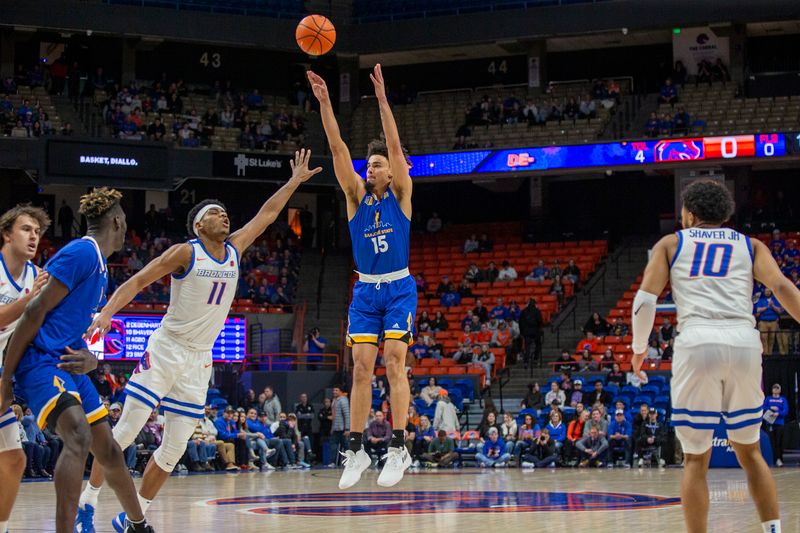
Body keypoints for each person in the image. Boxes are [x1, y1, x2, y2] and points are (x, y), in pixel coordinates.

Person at [78, 152, 320, 530]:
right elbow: (138, 280)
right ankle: (87, 505)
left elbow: (268, 214)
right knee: (124, 431)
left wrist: (293, 182)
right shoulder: (185, 252)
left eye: (225, 212)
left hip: (199, 360)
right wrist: (107, 312)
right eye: (215, 212)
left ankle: (132, 516)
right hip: (166, 348)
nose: (224, 216)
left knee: (173, 450)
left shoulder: (236, 249)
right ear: (198, 224)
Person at [632, 180, 793, 533]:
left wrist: (639, 350)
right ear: (726, 215)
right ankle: (774, 530)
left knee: (694, 460)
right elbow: (781, 286)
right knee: (750, 452)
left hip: (698, 341)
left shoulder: (672, 243)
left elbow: (645, 300)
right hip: (744, 342)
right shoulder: (750, 246)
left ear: (688, 214)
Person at [0, 190, 154, 533]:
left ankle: (138, 525)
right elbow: (34, 313)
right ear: (116, 221)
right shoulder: (82, 252)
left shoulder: (98, 266)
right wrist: (6, 379)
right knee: (78, 437)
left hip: (68, 362)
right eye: (125, 220)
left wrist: (92, 359)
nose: (126, 226)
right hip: (40, 363)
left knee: (110, 450)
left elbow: (65, 325)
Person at [309, 66, 416, 489]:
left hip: (399, 287)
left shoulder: (403, 194)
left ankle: (400, 446)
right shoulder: (356, 198)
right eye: (368, 165)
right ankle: (354, 449)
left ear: (392, 171)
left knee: (394, 361)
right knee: (359, 369)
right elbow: (336, 148)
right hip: (366, 292)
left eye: (377, 165)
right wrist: (324, 103)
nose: (370, 168)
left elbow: (392, 143)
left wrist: (384, 101)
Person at [0, 205, 51, 533]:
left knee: (14, 459)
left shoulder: (38, 275)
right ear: (6, 234)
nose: (33, 236)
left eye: (37, 231)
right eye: (25, 229)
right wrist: (30, 300)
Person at [762, 384, 788, 467]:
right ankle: (773, 459)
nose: (776, 389)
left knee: (778, 442)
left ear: (780, 390)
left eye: (777, 388)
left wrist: (778, 413)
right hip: (770, 423)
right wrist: (771, 408)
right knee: (771, 442)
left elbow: (785, 410)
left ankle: (779, 459)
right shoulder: (768, 399)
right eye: (774, 388)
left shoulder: (783, 399)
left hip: (779, 423)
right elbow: (763, 407)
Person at [519, 298, 543, 368]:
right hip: (535, 331)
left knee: (527, 347)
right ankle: (535, 358)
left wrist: (522, 332)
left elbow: (520, 322)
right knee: (538, 345)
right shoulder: (537, 311)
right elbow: (540, 321)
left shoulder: (524, 311)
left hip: (526, 332)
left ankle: (526, 362)